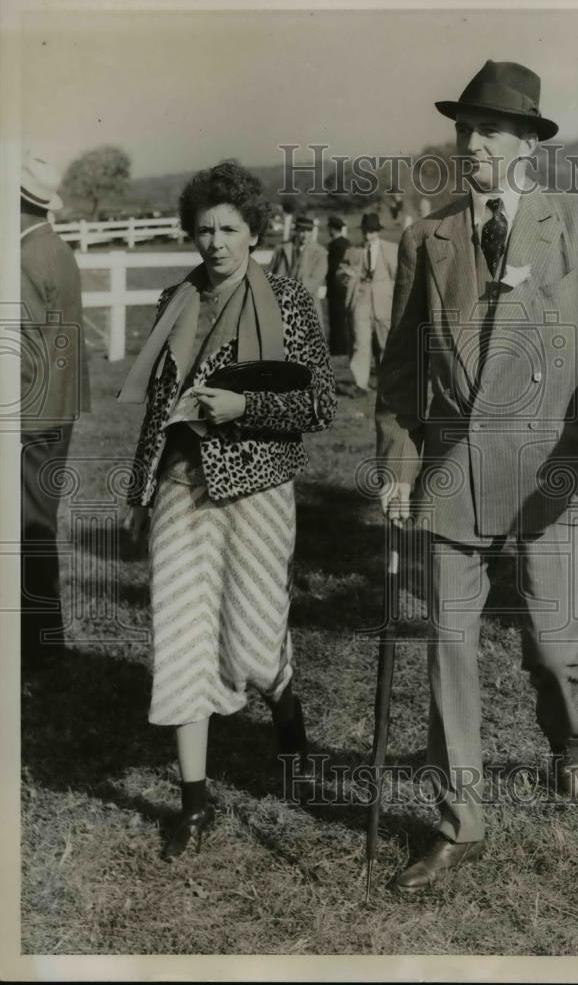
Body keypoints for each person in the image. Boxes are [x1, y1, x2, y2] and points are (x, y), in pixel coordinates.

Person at [376, 60, 578, 891]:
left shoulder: (574, 221)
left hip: (554, 474)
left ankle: (566, 737)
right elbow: (399, 372)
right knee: (448, 648)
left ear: (529, 144)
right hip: (454, 476)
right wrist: (397, 465)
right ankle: (459, 822)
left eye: (489, 132)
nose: (471, 145)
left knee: (553, 649)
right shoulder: (429, 236)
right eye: (463, 130)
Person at [120, 160, 336, 859]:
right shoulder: (174, 301)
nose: (214, 242)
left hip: (258, 485)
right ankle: (194, 803)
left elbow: (320, 403)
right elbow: (156, 412)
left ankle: (288, 718)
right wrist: (137, 497)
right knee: (180, 634)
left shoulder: (289, 301)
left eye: (229, 229)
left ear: (254, 233)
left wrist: (247, 406)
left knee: (250, 635)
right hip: (181, 487)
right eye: (204, 229)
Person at [19, 151, 91, 671]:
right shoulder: (57, 249)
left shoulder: (24, 257)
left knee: (28, 532)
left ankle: (38, 647)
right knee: (37, 526)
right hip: (58, 408)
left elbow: (22, 350)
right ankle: (43, 643)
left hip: (29, 415)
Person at [339, 213, 397, 397]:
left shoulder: (391, 249)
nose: (368, 235)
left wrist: (392, 297)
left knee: (386, 344)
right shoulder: (352, 251)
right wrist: (348, 277)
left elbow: (398, 277)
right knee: (360, 343)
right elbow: (340, 274)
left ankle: (388, 383)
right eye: (365, 231)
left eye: (371, 232)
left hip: (384, 303)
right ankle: (360, 384)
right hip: (360, 302)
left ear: (377, 232)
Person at [270, 216, 329, 337]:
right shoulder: (282, 249)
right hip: (284, 301)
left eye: (308, 231)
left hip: (307, 300)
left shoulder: (319, 252)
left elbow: (317, 278)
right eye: (301, 230)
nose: (304, 235)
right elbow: (272, 273)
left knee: (309, 338)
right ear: (296, 231)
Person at [325, 216, 351, 356]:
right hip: (345, 285)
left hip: (335, 286)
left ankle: (337, 348)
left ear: (332, 228)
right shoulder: (346, 243)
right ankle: (342, 346)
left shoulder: (335, 245)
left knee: (336, 318)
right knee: (342, 318)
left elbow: (333, 268)